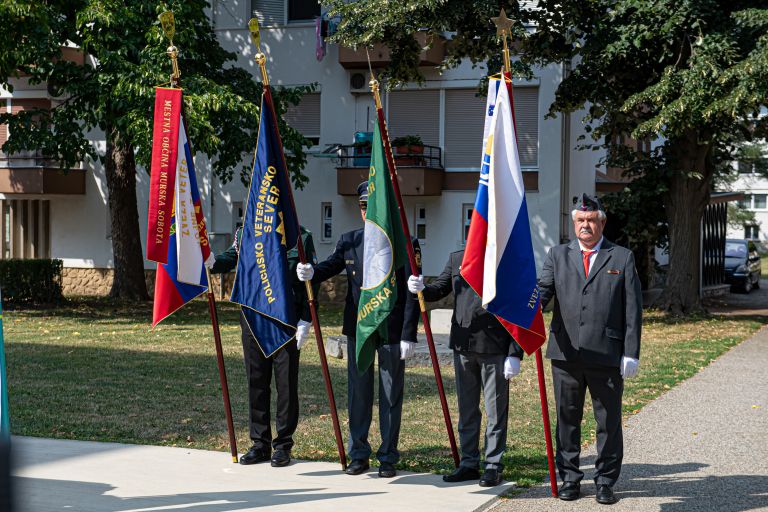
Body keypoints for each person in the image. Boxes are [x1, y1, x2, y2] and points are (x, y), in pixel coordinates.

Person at [296, 181, 420, 478]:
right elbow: (330, 266)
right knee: (359, 394)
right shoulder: (349, 240)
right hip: (359, 328)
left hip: (390, 329)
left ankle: (388, 456)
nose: (366, 211)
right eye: (363, 206)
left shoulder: (404, 242)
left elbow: (411, 292)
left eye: (372, 206)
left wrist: (408, 333)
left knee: (390, 395)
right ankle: (359, 453)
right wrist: (311, 271)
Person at [537, 194, 641, 505]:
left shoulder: (621, 257)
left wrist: (631, 352)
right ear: (573, 224)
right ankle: (570, 478)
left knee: (607, 421)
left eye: (591, 220)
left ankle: (606, 481)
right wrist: (520, 308)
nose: (586, 225)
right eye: (580, 221)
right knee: (567, 420)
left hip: (606, 355)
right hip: (565, 354)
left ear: (602, 223)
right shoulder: (557, 255)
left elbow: (633, 309)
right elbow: (541, 294)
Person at [407, 250, 524, 487]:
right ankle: (469, 462)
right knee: (467, 409)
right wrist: (421, 287)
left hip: (495, 346)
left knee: (495, 410)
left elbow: (518, 307)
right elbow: (439, 289)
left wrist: (514, 352)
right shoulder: (457, 258)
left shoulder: (505, 259)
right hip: (463, 344)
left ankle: (493, 464)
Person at [210, 224, 316, 467]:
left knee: (286, 384)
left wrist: (306, 318)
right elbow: (230, 258)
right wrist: (211, 259)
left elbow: (309, 279)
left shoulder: (299, 236)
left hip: (285, 320)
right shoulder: (244, 232)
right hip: (253, 318)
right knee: (256, 382)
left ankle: (283, 444)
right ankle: (260, 443)